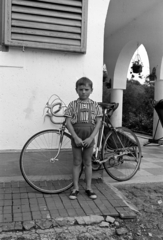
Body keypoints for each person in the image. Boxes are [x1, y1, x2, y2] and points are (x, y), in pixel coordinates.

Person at [64, 77, 103, 200]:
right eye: (81, 89)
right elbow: (68, 122)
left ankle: (89, 187)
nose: (84, 92)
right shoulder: (72, 105)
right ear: (76, 90)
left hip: (89, 138)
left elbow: (98, 122)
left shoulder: (95, 105)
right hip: (77, 137)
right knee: (76, 162)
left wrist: (91, 138)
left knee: (87, 162)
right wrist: (74, 137)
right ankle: (75, 188)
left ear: (91, 90)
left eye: (86, 89)